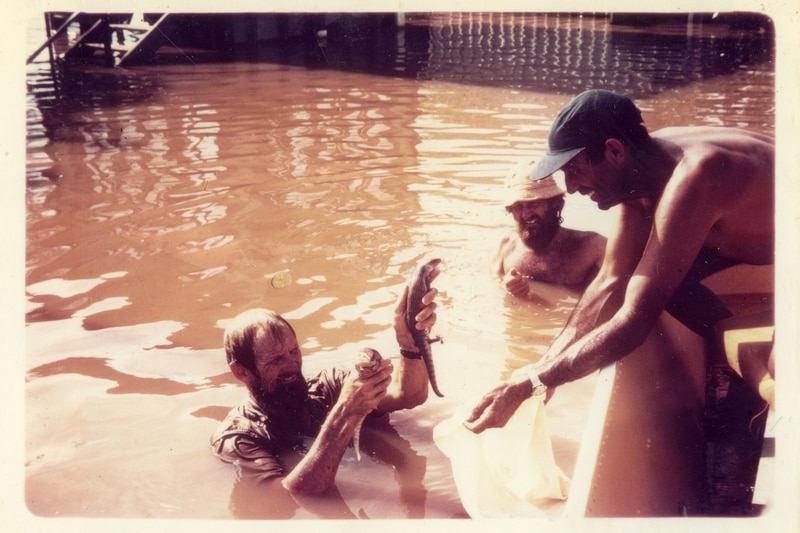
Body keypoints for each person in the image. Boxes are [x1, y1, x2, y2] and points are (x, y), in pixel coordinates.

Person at [464, 90, 773, 511]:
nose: (570, 188)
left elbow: (633, 320)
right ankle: (731, 369)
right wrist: (538, 368)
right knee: (647, 276)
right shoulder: (641, 170)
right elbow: (609, 282)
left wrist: (538, 382)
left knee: (654, 290)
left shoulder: (695, 175)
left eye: (574, 170)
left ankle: (745, 390)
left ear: (612, 150)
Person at [211, 274, 439, 496]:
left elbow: (409, 395)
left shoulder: (329, 386)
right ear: (240, 371)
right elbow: (288, 497)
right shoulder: (238, 436)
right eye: (276, 360)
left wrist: (409, 340)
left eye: (294, 351)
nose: (292, 365)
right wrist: (345, 413)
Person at [493, 160, 606, 298]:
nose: (526, 214)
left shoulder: (594, 247)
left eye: (534, 203)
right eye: (518, 207)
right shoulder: (507, 245)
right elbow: (493, 282)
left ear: (556, 205)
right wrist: (506, 285)